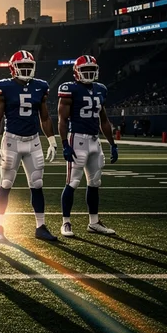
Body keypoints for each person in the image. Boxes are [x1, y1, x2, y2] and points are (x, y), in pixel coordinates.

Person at [0, 50, 59, 242]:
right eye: (23, 66)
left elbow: (44, 116)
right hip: (11, 140)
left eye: (30, 66)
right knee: (5, 184)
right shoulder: (3, 87)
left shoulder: (40, 86)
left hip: (33, 141)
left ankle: (40, 226)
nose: (27, 70)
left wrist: (52, 140)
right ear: (13, 69)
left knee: (37, 184)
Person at [57, 55, 118, 237]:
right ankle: (66, 223)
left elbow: (104, 119)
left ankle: (94, 222)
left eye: (92, 70)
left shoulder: (101, 89)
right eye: (85, 70)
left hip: (94, 141)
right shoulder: (70, 89)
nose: (89, 74)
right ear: (76, 72)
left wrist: (112, 143)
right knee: (72, 182)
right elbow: (62, 119)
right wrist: (64, 144)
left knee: (94, 183)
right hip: (77, 139)